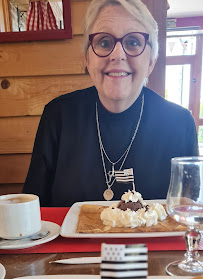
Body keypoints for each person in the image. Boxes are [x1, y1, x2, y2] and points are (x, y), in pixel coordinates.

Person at [22, 0, 198, 206]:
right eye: (104, 42)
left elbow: (188, 217)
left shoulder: (180, 123)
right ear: (87, 59)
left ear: (151, 60)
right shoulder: (57, 116)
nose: (117, 55)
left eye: (133, 42)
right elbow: (33, 213)